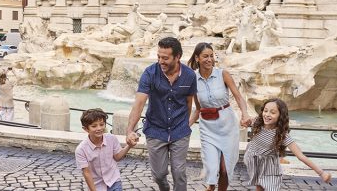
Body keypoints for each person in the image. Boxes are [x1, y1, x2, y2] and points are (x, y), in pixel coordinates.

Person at [126, 37, 197, 191]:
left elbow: (188, 102)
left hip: (180, 130)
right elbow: (139, 104)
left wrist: (186, 124)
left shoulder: (190, 75)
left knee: (179, 172)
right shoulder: (150, 73)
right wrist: (130, 130)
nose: (160, 61)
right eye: (158, 57)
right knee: (159, 175)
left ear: (177, 57)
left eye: (165, 58)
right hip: (155, 129)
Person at [187, 42, 253, 191]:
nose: (209, 59)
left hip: (227, 125)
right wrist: (185, 127)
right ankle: (210, 186)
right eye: (205, 56)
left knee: (224, 170)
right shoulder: (193, 79)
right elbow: (197, 109)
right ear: (197, 58)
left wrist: (245, 114)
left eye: (211, 56)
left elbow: (238, 97)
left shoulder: (222, 74)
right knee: (211, 166)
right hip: (207, 127)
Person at [244, 99, 331, 190]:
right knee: (259, 187)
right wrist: (243, 121)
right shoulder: (256, 122)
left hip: (270, 169)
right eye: (265, 111)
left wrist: (321, 173)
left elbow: (300, 156)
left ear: (280, 116)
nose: (267, 114)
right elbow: (243, 122)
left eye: (273, 112)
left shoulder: (282, 135)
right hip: (253, 161)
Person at [77, 108, 136, 191]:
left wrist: (129, 146)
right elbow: (86, 173)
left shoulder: (111, 139)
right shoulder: (81, 149)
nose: (99, 128)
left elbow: (117, 157)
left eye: (101, 124)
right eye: (94, 126)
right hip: (96, 185)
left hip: (114, 181)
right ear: (86, 129)